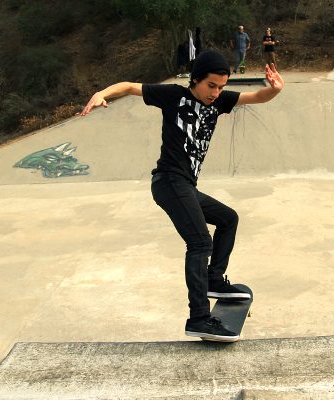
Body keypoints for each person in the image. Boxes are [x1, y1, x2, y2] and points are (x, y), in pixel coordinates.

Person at [80, 50, 284, 342]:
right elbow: (128, 87)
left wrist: (274, 90)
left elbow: (258, 97)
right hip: (169, 182)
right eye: (210, 86)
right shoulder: (174, 96)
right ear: (195, 80)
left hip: (186, 186)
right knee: (200, 242)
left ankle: (214, 279)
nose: (216, 93)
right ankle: (199, 318)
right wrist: (101, 94)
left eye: (221, 87)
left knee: (228, 219)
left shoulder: (222, 101)